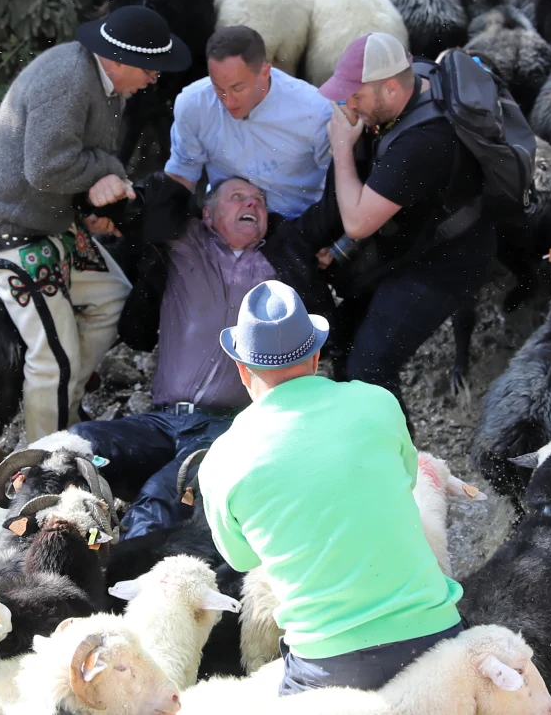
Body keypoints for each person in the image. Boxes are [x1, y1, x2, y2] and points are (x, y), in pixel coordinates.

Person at [197, 280, 464, 695]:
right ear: (316, 354)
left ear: (242, 368)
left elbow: (243, 555)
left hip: (329, 662)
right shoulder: (378, 403)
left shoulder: (221, 459)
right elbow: (406, 482)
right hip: (435, 637)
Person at [0, 6, 191, 448]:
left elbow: (80, 159)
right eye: (150, 69)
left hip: (52, 219)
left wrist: (92, 199)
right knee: (52, 357)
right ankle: (42, 465)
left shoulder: (108, 85)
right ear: (119, 60)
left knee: (110, 296)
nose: (154, 79)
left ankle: (63, 407)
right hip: (10, 227)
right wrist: (108, 173)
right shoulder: (68, 79)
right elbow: (46, 168)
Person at [67, 174, 332, 540]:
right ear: (207, 215)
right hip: (160, 423)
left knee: (162, 497)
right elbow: (148, 201)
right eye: (238, 197)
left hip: (225, 427)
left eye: (260, 201)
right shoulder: (183, 241)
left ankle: (118, 584)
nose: (252, 204)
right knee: (77, 445)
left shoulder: (282, 262)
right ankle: (45, 550)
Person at [319, 32, 496, 420]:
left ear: (392, 88)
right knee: (345, 341)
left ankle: (407, 471)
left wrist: (342, 149)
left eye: (357, 96)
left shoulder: (423, 143)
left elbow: (359, 222)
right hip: (420, 239)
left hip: (447, 263)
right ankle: (358, 441)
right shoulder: (416, 81)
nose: (348, 105)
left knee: (370, 367)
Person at [165, 26, 334, 218]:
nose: (227, 101)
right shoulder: (193, 104)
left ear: (265, 72)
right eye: (218, 88)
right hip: (226, 225)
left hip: (296, 224)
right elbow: (182, 174)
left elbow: (339, 183)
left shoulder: (316, 110)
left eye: (237, 88)